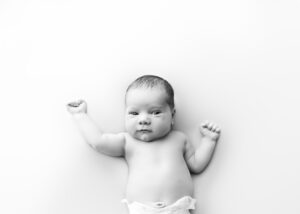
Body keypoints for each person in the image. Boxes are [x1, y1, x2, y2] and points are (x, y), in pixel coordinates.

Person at [66, 75, 221, 214]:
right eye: (134, 113)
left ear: (172, 115)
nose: (144, 119)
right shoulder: (127, 141)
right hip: (143, 210)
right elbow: (98, 141)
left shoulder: (179, 139)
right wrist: (80, 115)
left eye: (155, 112)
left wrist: (209, 141)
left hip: (178, 208)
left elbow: (196, 165)